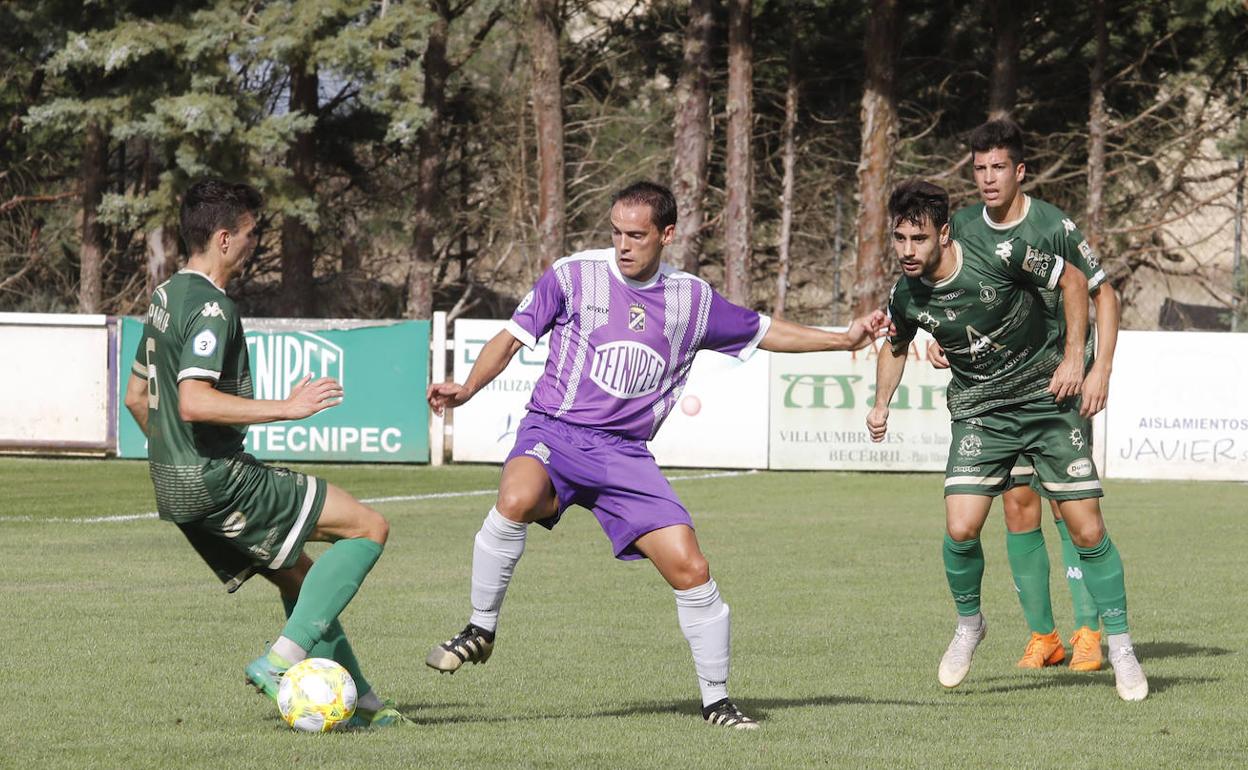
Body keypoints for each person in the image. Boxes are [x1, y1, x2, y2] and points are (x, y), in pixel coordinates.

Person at [425, 181, 888, 729]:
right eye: (617, 232)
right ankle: (481, 627)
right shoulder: (573, 276)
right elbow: (509, 338)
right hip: (555, 430)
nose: (623, 245)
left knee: (692, 567)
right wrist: (468, 389)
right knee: (517, 496)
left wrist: (844, 339)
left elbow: (766, 332)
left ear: (667, 235)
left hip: (624, 456)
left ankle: (716, 700)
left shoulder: (692, 300)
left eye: (637, 235)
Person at [122, 179, 403, 727]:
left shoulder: (164, 298)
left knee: (300, 577)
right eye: (251, 233)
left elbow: (137, 397)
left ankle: (365, 705)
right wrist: (289, 407)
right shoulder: (211, 307)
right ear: (224, 238)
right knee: (368, 527)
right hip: (217, 477)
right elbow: (194, 401)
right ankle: (280, 662)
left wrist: (173, 461)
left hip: (174, 484)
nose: (254, 243)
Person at [867, 179, 1146, 701]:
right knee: (961, 525)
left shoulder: (1001, 251)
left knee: (1086, 529)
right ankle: (971, 625)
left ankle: (1122, 647)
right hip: (981, 410)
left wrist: (1075, 357)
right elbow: (896, 342)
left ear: (943, 234)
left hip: (1044, 399)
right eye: (900, 239)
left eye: (918, 239)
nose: (908, 251)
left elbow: (1075, 281)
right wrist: (882, 401)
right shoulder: (905, 293)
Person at [929, 119, 1121, 672]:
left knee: (1068, 505)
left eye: (998, 168)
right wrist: (944, 342)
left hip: (1058, 384)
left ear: (1020, 171)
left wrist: (1097, 366)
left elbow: (1102, 292)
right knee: (1017, 503)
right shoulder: (959, 226)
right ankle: (1044, 636)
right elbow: (944, 293)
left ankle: (1090, 630)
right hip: (995, 396)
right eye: (979, 168)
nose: (988, 179)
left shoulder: (1053, 225)